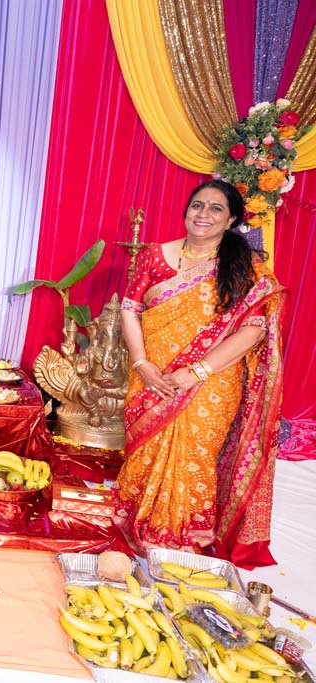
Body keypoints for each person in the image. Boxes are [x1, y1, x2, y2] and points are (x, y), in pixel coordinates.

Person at [114, 179, 286, 569]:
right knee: (146, 450)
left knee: (194, 455)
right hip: (152, 374)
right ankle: (135, 519)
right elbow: (129, 308)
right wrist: (142, 363)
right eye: (197, 205)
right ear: (186, 210)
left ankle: (180, 536)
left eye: (215, 208)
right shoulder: (155, 255)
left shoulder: (244, 266)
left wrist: (196, 372)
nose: (203, 214)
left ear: (231, 220)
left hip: (211, 383)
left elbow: (254, 330)